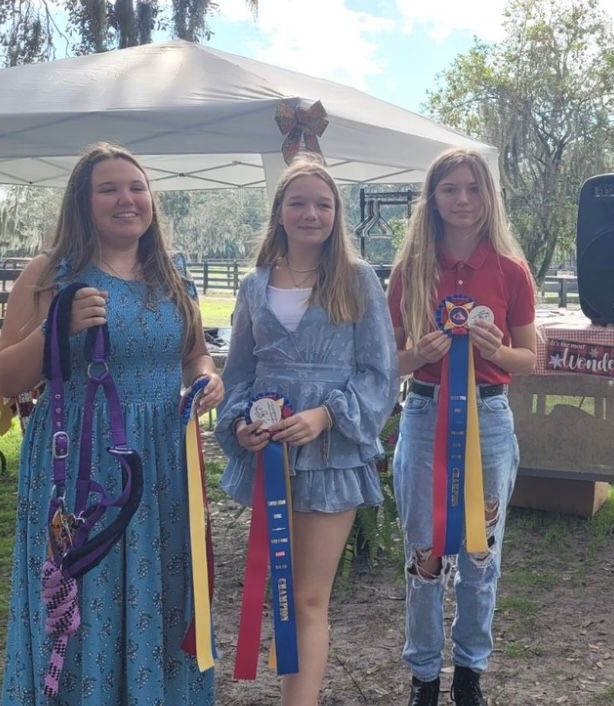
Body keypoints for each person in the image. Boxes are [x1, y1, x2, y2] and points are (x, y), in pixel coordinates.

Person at [0, 142, 223, 704]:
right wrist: (56, 328)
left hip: (163, 464)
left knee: (162, 588)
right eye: (109, 189)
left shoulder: (174, 272)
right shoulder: (50, 273)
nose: (127, 199)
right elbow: (3, 377)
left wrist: (205, 377)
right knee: (89, 591)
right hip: (80, 463)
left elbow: (192, 353)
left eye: (137, 188)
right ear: (83, 202)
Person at [214, 157, 398, 706]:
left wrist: (327, 416)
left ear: (336, 213)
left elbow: (380, 371)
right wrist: (242, 423)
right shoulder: (254, 285)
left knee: (309, 596)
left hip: (330, 455)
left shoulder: (357, 279)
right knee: (280, 591)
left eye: (323, 203)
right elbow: (240, 372)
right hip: (271, 456)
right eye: (298, 202)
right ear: (279, 212)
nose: (311, 213)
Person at [387, 148, 537, 706]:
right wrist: (414, 354)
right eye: (450, 189)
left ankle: (470, 671)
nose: (463, 200)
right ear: (433, 199)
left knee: (481, 551)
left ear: (489, 197)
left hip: (490, 416)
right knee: (424, 553)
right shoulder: (410, 272)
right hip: (425, 415)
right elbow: (387, 358)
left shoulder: (510, 271)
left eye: (473, 189)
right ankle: (424, 675)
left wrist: (499, 349)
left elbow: (529, 357)